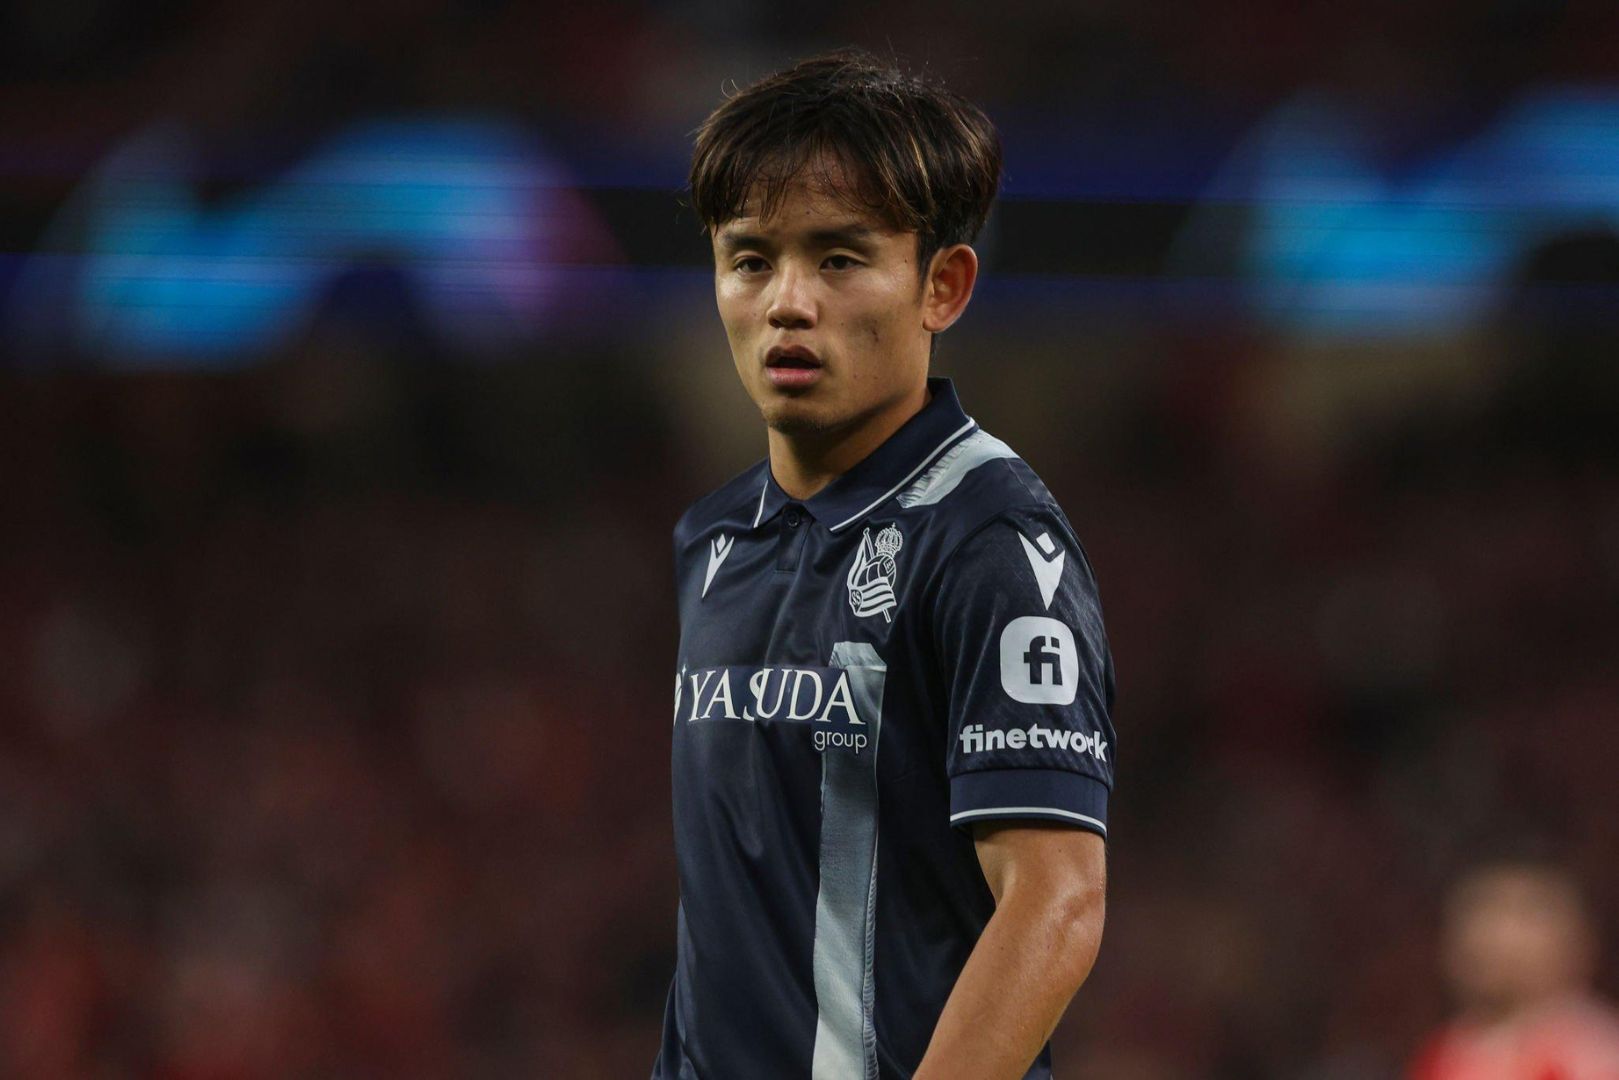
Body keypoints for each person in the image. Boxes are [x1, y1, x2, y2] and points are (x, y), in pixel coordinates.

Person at [654, 50, 1116, 1079]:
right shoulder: (712, 541)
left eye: (838, 259)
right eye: (748, 259)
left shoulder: (989, 539)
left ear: (940, 286)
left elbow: (1058, 901)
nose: (785, 302)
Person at [1410, 858, 1619, 1079]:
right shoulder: (1444, 1051)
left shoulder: (1589, 1054)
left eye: (1528, 914)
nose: (1496, 936)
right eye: (1482, 911)